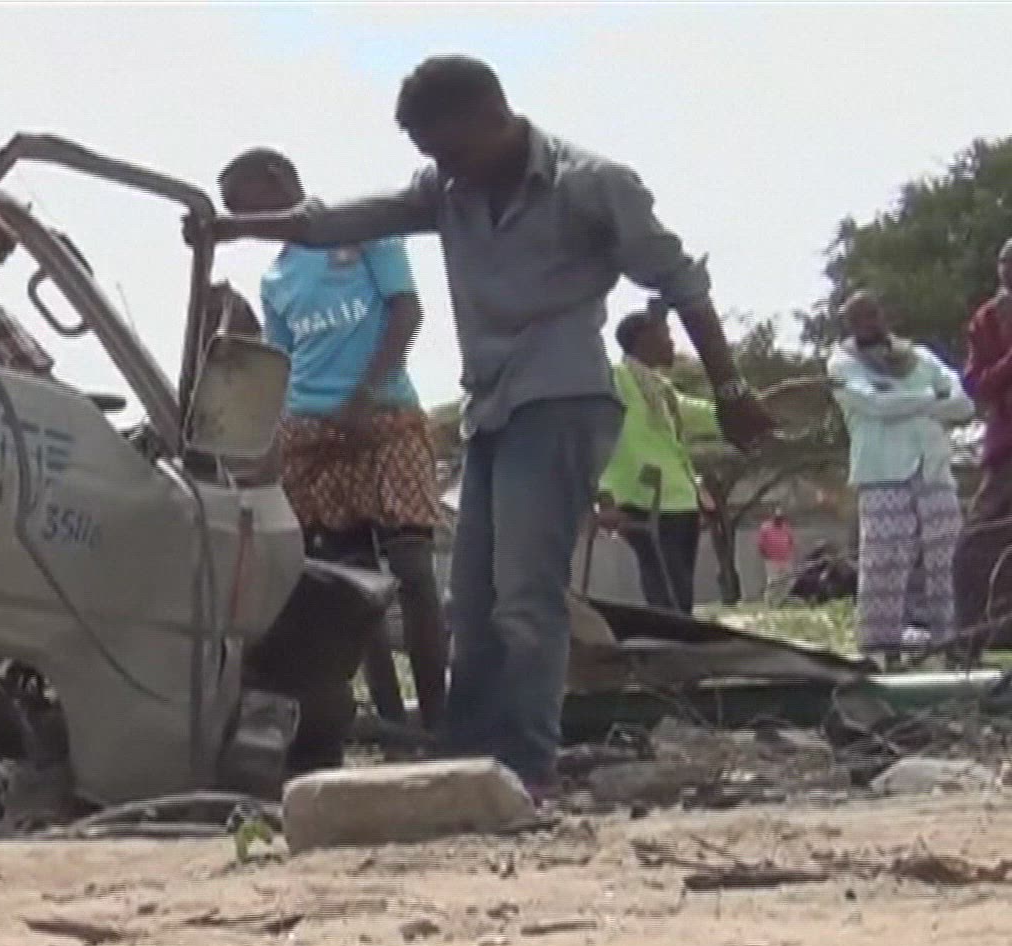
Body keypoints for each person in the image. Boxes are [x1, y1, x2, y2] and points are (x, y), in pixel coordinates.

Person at [190, 55, 774, 799]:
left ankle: (526, 762)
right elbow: (339, 217)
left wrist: (730, 388)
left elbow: (682, 283)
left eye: (450, 151)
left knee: (526, 593)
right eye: (431, 158)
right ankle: (468, 754)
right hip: (490, 409)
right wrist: (235, 227)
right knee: (471, 600)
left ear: (493, 116)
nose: (445, 170)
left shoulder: (592, 186)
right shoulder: (447, 187)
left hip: (559, 400)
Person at [218, 147, 447, 734]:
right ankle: (393, 723)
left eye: (243, 204)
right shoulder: (276, 279)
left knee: (413, 570)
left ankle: (439, 719)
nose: (244, 221)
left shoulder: (365, 232)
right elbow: (281, 362)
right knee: (352, 587)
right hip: (312, 434)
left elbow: (406, 311)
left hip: (385, 418)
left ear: (278, 179)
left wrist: (366, 393)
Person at [829, 289, 973, 664]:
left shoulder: (921, 357)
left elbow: (963, 404)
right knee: (885, 564)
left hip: (934, 470)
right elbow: (875, 404)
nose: (867, 323)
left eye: (871, 314)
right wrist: (931, 400)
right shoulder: (843, 364)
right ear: (848, 324)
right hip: (883, 473)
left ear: (883, 315)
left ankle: (951, 644)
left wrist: (909, 400)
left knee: (947, 559)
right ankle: (882, 650)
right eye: (857, 318)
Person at [594, 305, 719, 613]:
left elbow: (708, 415)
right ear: (643, 340)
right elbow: (590, 431)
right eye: (665, 334)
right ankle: (670, 637)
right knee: (667, 590)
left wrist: (753, 408)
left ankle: (677, 637)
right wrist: (603, 497)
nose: (672, 342)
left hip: (681, 501)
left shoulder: (664, 391)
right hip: (641, 500)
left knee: (681, 592)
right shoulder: (615, 380)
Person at [955, 238, 1012, 660]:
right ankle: (974, 636)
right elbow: (975, 383)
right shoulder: (988, 319)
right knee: (976, 541)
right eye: (1004, 262)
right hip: (1007, 445)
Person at [756, 508, 797, 604]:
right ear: (773, 517)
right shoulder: (765, 527)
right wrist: (765, 555)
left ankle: (782, 600)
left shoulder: (786, 527)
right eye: (777, 518)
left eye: (781, 518)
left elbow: (791, 540)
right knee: (773, 580)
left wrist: (790, 552)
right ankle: (769, 600)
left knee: (787, 580)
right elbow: (760, 543)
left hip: (785, 558)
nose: (779, 520)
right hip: (772, 559)